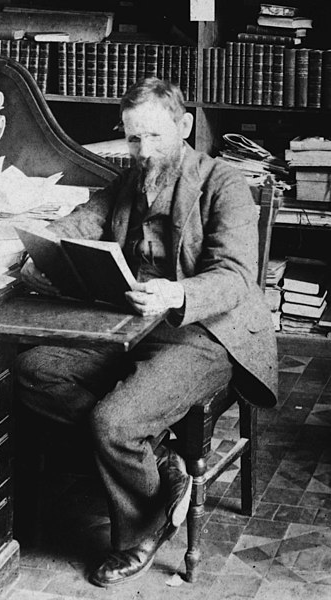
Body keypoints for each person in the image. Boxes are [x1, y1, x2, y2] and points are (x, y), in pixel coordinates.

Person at [15, 77, 278, 587]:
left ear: (183, 127)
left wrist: (175, 294)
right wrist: (43, 240)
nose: (143, 151)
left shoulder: (224, 182)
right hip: (134, 325)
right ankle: (163, 468)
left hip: (206, 331)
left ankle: (140, 527)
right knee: (31, 371)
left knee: (113, 421)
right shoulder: (131, 177)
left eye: (155, 137)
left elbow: (236, 276)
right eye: (134, 138)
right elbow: (85, 219)